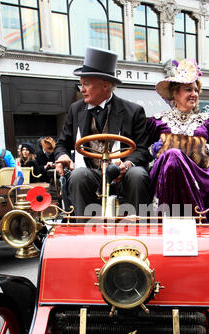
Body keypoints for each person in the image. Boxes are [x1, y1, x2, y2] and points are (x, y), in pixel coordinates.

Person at [54, 46, 151, 216]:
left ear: (105, 85)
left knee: (137, 175)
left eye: (86, 84)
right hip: (91, 174)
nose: (81, 89)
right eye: (81, 84)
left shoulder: (133, 111)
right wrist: (62, 156)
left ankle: (138, 231)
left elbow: (142, 150)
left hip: (123, 174)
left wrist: (127, 165)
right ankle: (84, 234)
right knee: (78, 175)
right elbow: (62, 144)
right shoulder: (75, 109)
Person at [147, 58, 209, 219]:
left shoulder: (208, 122)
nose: (194, 94)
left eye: (196, 90)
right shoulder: (157, 121)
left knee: (174, 154)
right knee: (173, 156)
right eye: (188, 90)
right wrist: (154, 150)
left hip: (199, 180)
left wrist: (201, 148)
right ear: (175, 93)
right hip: (165, 179)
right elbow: (142, 150)